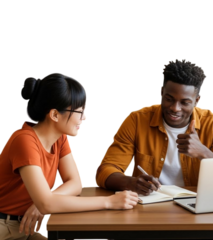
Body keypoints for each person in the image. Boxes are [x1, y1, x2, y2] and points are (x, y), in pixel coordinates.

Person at [0, 72, 138, 240]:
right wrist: (110, 202)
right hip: (5, 228)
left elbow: (76, 183)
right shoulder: (24, 140)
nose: (85, 118)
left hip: (27, 227)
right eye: (80, 112)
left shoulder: (60, 138)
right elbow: (46, 203)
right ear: (55, 115)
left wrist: (46, 201)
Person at [94, 58, 213, 196]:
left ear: (197, 100)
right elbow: (104, 171)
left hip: (196, 206)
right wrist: (131, 183)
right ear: (161, 93)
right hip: (149, 205)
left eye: (185, 102)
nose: (175, 108)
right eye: (169, 99)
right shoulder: (136, 120)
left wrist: (203, 153)